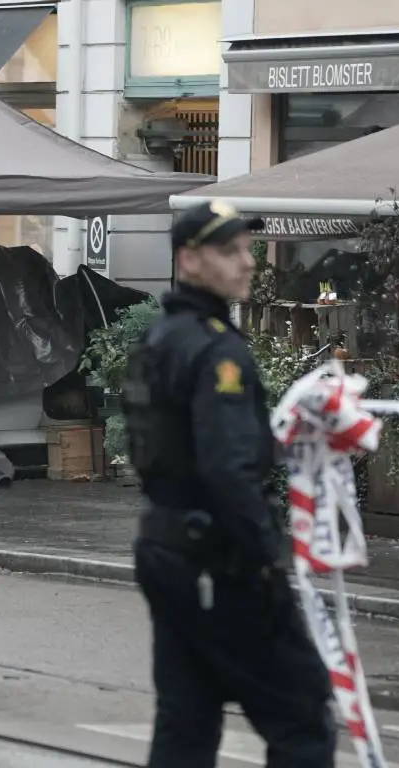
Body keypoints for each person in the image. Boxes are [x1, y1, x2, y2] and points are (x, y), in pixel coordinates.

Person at [122, 200, 336, 767]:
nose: (246, 263)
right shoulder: (217, 351)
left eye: (247, 249)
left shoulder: (162, 338)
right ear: (189, 259)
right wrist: (266, 559)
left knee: (187, 722)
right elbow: (227, 470)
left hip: (166, 548)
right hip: (220, 560)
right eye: (229, 251)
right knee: (302, 715)